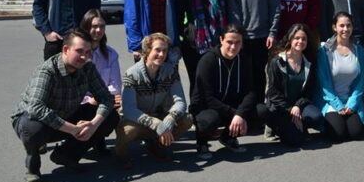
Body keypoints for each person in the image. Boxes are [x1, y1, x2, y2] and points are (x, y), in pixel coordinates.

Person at [11, 30, 120, 182]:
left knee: (110, 116)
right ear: (66, 49)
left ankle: (66, 155)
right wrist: (73, 129)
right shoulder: (46, 71)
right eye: (79, 51)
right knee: (32, 128)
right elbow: (36, 108)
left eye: (88, 52)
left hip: (67, 114)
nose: (84, 57)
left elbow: (106, 98)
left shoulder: (88, 68)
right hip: (36, 120)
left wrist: (93, 124)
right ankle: (33, 165)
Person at [115, 33, 193, 167]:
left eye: (165, 51)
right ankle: (120, 154)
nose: (161, 54)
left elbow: (180, 102)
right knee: (129, 130)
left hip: (159, 115)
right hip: (138, 120)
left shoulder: (171, 71)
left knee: (187, 120)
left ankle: (157, 145)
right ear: (147, 51)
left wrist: (170, 118)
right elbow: (129, 109)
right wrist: (155, 123)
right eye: (157, 50)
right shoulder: (132, 74)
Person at [189, 25, 260, 158]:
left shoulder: (244, 59)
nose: (233, 47)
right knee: (209, 121)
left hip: (230, 107)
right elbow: (207, 98)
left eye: (237, 42)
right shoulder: (208, 60)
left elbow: (251, 92)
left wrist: (240, 114)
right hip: (208, 108)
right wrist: (236, 114)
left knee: (262, 111)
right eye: (229, 42)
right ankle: (202, 142)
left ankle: (228, 137)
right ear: (221, 40)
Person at [225, 0, 281, 102]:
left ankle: (258, 110)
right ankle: (241, 110)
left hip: (262, 35)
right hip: (241, 37)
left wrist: (272, 32)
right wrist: (238, 34)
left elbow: (274, 5)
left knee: (259, 77)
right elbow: (232, 6)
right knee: (240, 76)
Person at [174, 0, 228, 94]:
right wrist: (187, 34)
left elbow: (226, 11)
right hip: (194, 44)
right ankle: (196, 107)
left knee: (216, 80)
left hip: (218, 41)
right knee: (197, 80)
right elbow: (178, 17)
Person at [263, 24, 323, 146]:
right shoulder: (277, 61)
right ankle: (278, 128)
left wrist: (298, 106)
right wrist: (290, 109)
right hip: (280, 108)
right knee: (294, 141)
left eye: (304, 39)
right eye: (297, 38)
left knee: (316, 117)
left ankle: (299, 125)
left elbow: (309, 91)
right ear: (290, 39)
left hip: (298, 106)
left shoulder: (309, 62)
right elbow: (273, 93)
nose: (300, 41)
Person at [316, 12, 364, 142]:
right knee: (338, 133)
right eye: (342, 25)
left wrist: (352, 103)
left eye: (348, 25)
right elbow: (324, 84)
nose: (345, 29)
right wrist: (338, 105)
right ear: (334, 27)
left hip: (350, 101)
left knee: (356, 133)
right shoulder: (324, 51)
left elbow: (361, 81)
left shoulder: (359, 50)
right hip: (331, 101)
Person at [79, 9, 122, 154]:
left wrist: (97, 98)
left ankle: (97, 138)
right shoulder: (77, 54)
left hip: (102, 101)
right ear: (85, 27)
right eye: (94, 26)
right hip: (78, 102)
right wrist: (89, 99)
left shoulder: (111, 54)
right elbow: (71, 87)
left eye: (102, 26)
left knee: (114, 114)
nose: (98, 30)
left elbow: (115, 87)